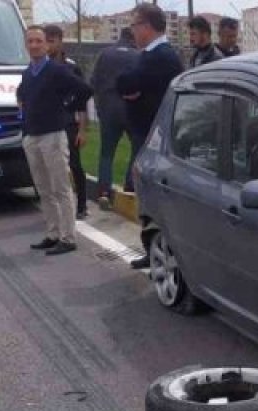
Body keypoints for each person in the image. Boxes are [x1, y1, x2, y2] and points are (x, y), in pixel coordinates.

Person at [116, 3, 183, 268]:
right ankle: (153, 248)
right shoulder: (150, 55)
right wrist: (130, 89)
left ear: (146, 26)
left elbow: (126, 83)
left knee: (154, 198)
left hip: (154, 137)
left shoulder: (161, 57)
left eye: (135, 25)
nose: (132, 31)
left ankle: (163, 250)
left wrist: (131, 90)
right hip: (145, 135)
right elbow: (126, 84)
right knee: (147, 197)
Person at [17, 25, 92, 256]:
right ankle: (52, 233)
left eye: (39, 41)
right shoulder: (27, 73)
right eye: (30, 41)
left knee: (60, 188)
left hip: (53, 136)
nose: (35, 45)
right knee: (44, 189)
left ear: (46, 44)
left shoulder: (57, 70)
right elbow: (21, 95)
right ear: (26, 45)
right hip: (33, 137)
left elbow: (84, 90)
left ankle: (68, 237)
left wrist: (64, 107)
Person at [90, 27, 143, 209]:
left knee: (106, 153)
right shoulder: (138, 56)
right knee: (137, 148)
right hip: (131, 109)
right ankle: (129, 186)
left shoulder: (104, 54)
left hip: (108, 109)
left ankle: (104, 192)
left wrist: (100, 105)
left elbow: (94, 82)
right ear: (133, 38)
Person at [43, 24, 90, 221]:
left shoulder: (71, 67)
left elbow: (82, 101)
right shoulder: (40, 67)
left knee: (75, 165)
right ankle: (56, 207)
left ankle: (82, 206)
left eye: (51, 41)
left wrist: (82, 129)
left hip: (69, 123)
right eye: (45, 41)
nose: (47, 46)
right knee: (50, 167)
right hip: (47, 125)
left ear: (60, 42)